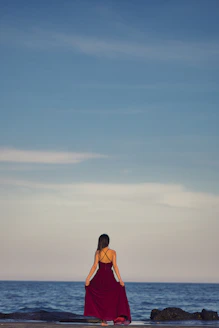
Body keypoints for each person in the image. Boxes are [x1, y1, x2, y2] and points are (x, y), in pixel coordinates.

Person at [84, 234, 131, 326]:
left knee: (100, 299)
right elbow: (115, 266)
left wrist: (88, 278)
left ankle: (103, 321)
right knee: (111, 298)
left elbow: (94, 266)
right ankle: (114, 317)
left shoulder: (98, 252)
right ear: (108, 242)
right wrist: (120, 280)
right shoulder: (113, 252)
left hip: (99, 277)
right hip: (109, 276)